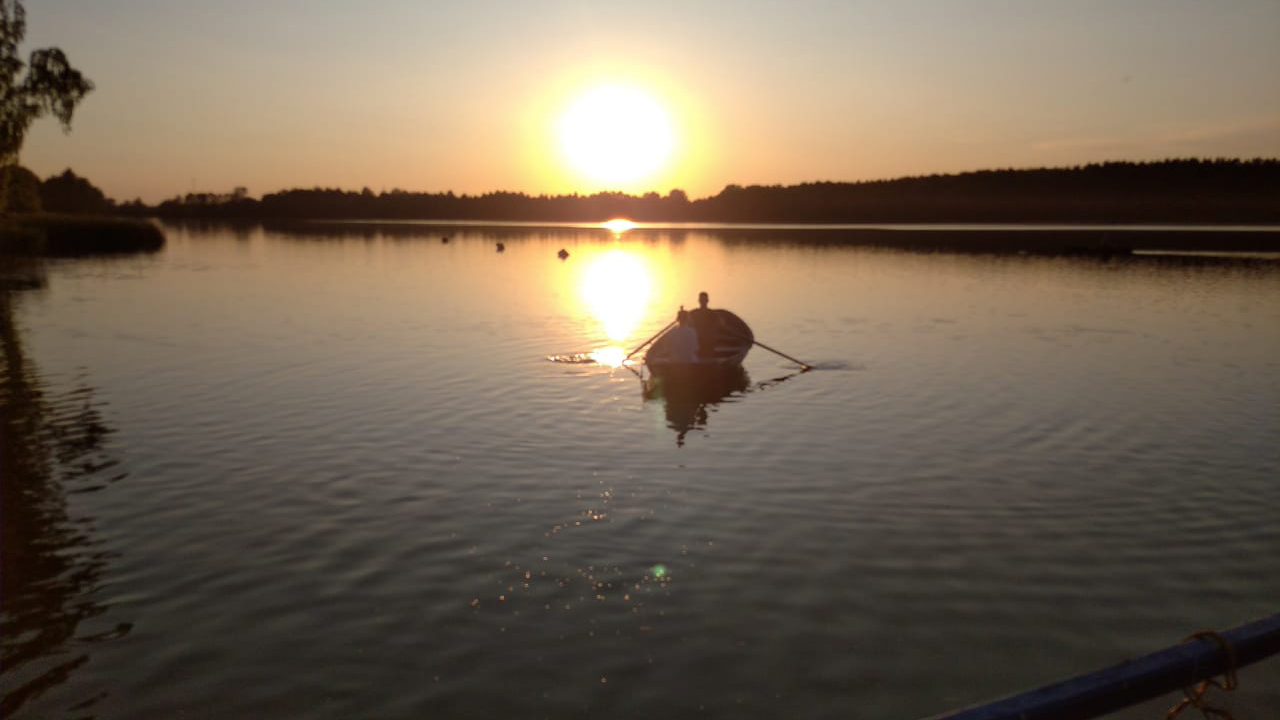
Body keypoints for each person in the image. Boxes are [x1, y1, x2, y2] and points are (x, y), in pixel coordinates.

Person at [687, 291, 718, 361]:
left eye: (703, 300)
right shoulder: (694, 313)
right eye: (702, 300)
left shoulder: (712, 314)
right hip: (698, 342)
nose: (702, 301)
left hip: (706, 342)